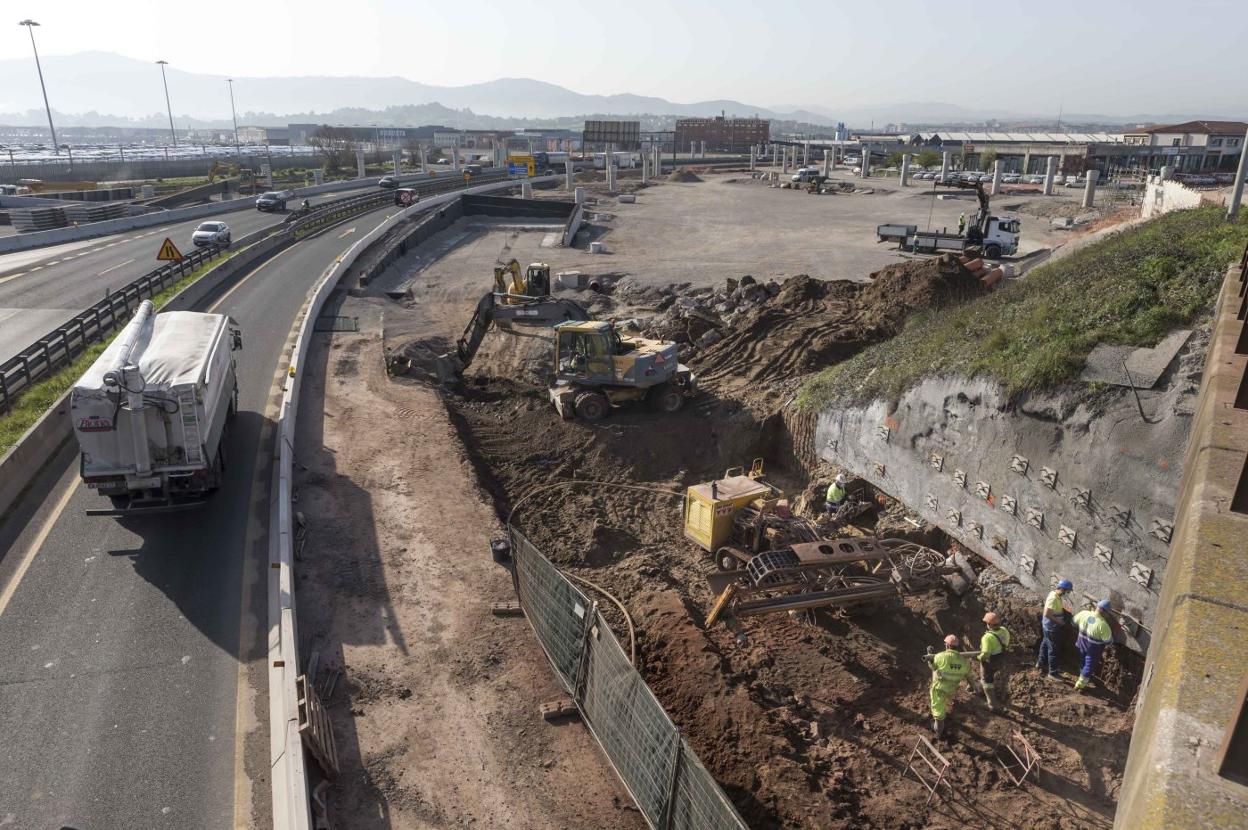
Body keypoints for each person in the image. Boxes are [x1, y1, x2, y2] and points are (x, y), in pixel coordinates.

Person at [925, 634, 971, 738]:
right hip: (951, 689)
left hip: (939, 690)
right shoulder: (964, 661)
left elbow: (933, 667)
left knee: (939, 716)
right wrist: (972, 685)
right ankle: (940, 718)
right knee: (944, 701)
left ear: (947, 646)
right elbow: (969, 674)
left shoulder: (940, 656)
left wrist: (929, 654)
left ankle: (938, 732)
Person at [1073, 600, 1115, 691]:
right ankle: (1080, 685)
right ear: (1105, 612)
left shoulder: (1083, 613)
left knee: (1082, 662)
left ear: (1097, 607)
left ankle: (1082, 676)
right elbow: (1108, 642)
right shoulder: (1103, 625)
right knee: (1089, 666)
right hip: (1093, 650)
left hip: (1081, 644)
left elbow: (1073, 622)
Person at [1037, 579, 1073, 680]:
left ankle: (1040, 663)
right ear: (1063, 589)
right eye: (1068, 591)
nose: (1068, 593)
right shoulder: (1053, 598)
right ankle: (1052, 673)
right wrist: (1059, 622)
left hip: (1048, 626)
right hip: (1051, 627)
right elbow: (1047, 614)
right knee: (1053, 649)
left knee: (1045, 643)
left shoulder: (1055, 595)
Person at [977, 611, 1011, 711]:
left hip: (990, 661)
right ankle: (1002, 695)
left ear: (989, 624)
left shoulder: (987, 637)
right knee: (998, 676)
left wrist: (979, 657)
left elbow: (985, 654)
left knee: (987, 680)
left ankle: (992, 705)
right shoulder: (1004, 630)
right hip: (1002, 658)